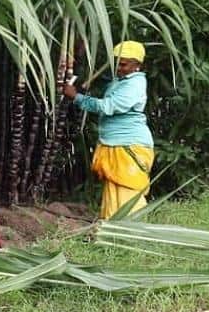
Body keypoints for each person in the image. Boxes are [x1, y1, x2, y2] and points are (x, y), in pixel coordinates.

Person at [63, 40, 153, 219]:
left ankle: (131, 231)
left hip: (129, 146)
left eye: (124, 64)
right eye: (117, 63)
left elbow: (109, 106)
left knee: (127, 190)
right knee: (114, 191)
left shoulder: (135, 84)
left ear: (137, 65)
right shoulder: (121, 81)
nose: (119, 68)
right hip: (116, 144)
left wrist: (77, 98)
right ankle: (112, 229)